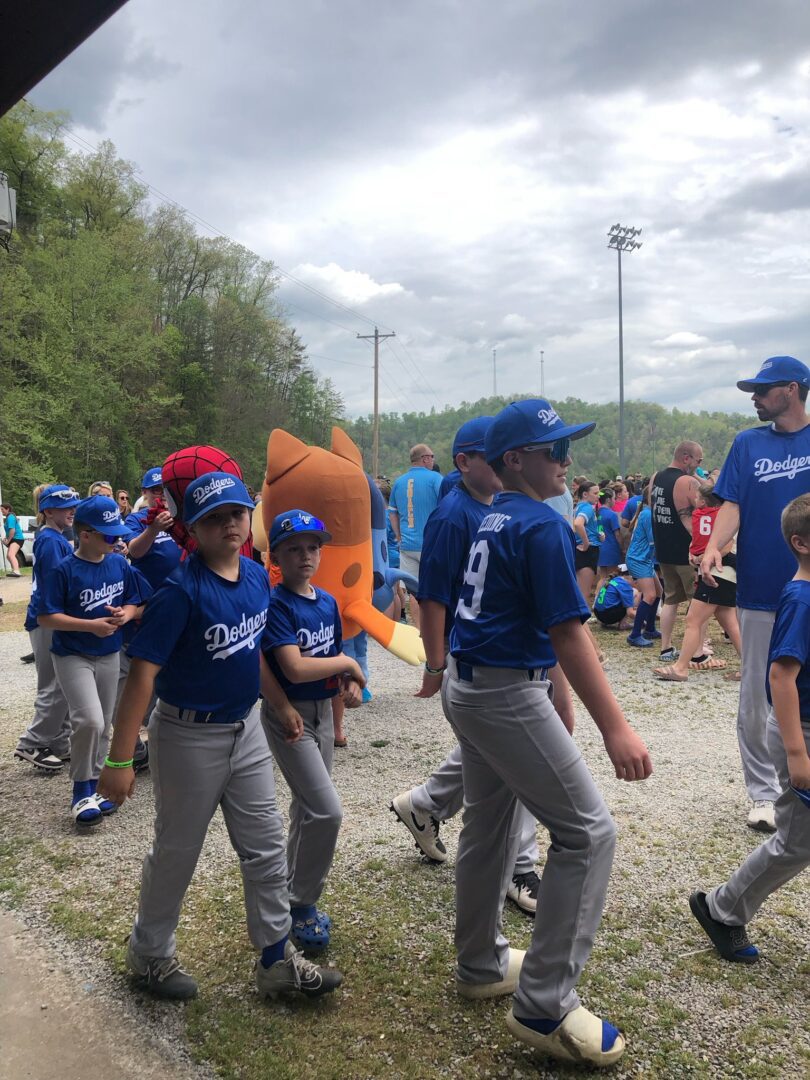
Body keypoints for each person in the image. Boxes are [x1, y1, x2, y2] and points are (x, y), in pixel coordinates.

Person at [441, 399, 652, 1067]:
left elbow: (527, 619)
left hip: (474, 684)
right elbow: (567, 631)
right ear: (514, 459)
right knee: (589, 833)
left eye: (565, 447)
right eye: (553, 449)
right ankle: (544, 1002)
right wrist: (615, 727)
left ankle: (479, 963)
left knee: (490, 827)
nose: (566, 459)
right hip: (502, 692)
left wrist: (553, 691)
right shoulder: (540, 524)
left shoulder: (494, 514)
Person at [98, 472, 343, 1003]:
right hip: (188, 733)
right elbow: (141, 677)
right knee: (177, 850)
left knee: (266, 847)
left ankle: (276, 958)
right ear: (192, 528)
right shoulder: (179, 592)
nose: (229, 524)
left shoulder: (254, 575)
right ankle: (149, 953)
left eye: (236, 513)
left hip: (246, 726)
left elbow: (249, 651)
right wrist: (118, 761)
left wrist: (279, 704)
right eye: (214, 518)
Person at [391, 417, 572, 916]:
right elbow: (432, 598)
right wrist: (435, 665)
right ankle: (519, 867)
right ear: (464, 462)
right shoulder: (454, 515)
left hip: (502, 658)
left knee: (493, 756)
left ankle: (424, 804)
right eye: (484, 456)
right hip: (473, 658)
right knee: (514, 763)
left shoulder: (497, 508)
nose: (494, 465)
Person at [689, 492, 810, 962]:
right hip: (801, 732)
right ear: (801, 543)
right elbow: (780, 678)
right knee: (796, 842)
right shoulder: (801, 599)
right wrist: (797, 754)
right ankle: (722, 909)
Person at [701, 355, 810, 834]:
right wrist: (714, 544)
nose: (755, 398)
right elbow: (734, 502)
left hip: (808, 586)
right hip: (761, 587)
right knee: (756, 693)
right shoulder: (748, 442)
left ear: (792, 389)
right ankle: (764, 793)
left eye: (763, 390)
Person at [261, 509, 364, 953]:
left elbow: (332, 660)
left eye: (312, 548)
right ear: (276, 557)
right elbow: (294, 667)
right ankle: (302, 903)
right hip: (291, 718)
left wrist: (348, 682)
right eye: (294, 549)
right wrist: (350, 663)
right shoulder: (277, 604)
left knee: (308, 808)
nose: (305, 556)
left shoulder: (326, 601)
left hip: (321, 712)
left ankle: (288, 892)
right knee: (326, 811)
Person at [38, 495, 144, 826]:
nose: (117, 542)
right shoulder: (64, 569)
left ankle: (98, 785)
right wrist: (90, 626)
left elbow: (136, 601)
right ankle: (80, 789)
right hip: (72, 654)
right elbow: (46, 617)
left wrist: (126, 615)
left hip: (109, 652)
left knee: (105, 722)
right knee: (89, 720)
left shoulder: (118, 564)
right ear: (85, 535)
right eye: (110, 536)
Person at [13, 485, 81, 771]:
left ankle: (59, 742)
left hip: (52, 617)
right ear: (48, 511)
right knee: (55, 685)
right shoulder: (51, 540)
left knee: (61, 685)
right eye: (65, 508)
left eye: (73, 506)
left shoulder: (56, 537)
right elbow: (60, 583)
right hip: (49, 618)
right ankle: (32, 742)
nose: (72, 512)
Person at [654, 479, 741, 681]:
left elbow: (726, 545)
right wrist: (694, 555)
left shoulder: (723, 517)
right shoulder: (719, 515)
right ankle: (751, 668)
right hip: (723, 572)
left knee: (693, 620)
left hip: (717, 572)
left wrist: (703, 558)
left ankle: (681, 667)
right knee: (730, 622)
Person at [650, 442, 703, 661]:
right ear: (686, 458)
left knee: (670, 599)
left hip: (664, 550)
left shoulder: (655, 477)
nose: (699, 465)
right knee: (698, 601)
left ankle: (666, 647)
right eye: (698, 461)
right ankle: (698, 651)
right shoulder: (686, 482)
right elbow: (706, 509)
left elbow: (652, 509)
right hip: (687, 552)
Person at [389, 444, 443, 629]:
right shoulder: (436, 479)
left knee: (414, 593)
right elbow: (448, 507)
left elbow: (393, 513)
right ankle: (434, 632)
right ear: (425, 458)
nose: (433, 460)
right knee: (435, 591)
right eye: (432, 456)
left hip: (407, 546)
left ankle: (419, 631)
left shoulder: (399, 482)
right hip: (432, 545)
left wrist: (398, 537)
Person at [124, 468, 182, 590]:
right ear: (144, 492)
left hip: (183, 588)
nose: (164, 494)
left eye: (167, 488)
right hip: (152, 591)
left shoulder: (180, 516)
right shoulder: (135, 519)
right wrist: (153, 529)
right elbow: (134, 552)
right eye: (157, 490)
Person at [624, 487, 662, 647]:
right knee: (650, 595)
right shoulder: (647, 514)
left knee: (658, 592)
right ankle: (634, 635)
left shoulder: (647, 512)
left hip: (643, 558)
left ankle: (650, 629)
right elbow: (655, 540)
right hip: (638, 559)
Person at [572, 481, 603, 602]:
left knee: (579, 590)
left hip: (581, 549)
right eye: (595, 493)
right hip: (588, 551)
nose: (598, 496)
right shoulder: (587, 507)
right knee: (583, 594)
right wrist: (586, 543)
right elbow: (578, 524)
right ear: (585, 494)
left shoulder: (578, 507)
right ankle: (582, 615)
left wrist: (598, 534)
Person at [596, 488, 623, 588]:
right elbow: (617, 534)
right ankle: (607, 596)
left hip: (599, 548)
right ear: (608, 500)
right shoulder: (612, 514)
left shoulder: (596, 513)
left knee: (602, 577)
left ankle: (598, 596)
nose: (615, 501)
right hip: (611, 549)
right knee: (611, 577)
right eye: (614, 498)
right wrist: (622, 548)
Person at [1, 503, 25, 577]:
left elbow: (12, 531)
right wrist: (6, 538)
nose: (1, 511)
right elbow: (9, 531)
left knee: (11, 555)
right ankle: (15, 570)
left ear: (7, 509)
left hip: (17, 538)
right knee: (8, 556)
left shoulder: (10, 517)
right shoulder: (9, 517)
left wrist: (8, 541)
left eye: (2, 509)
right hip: (14, 538)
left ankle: (16, 571)